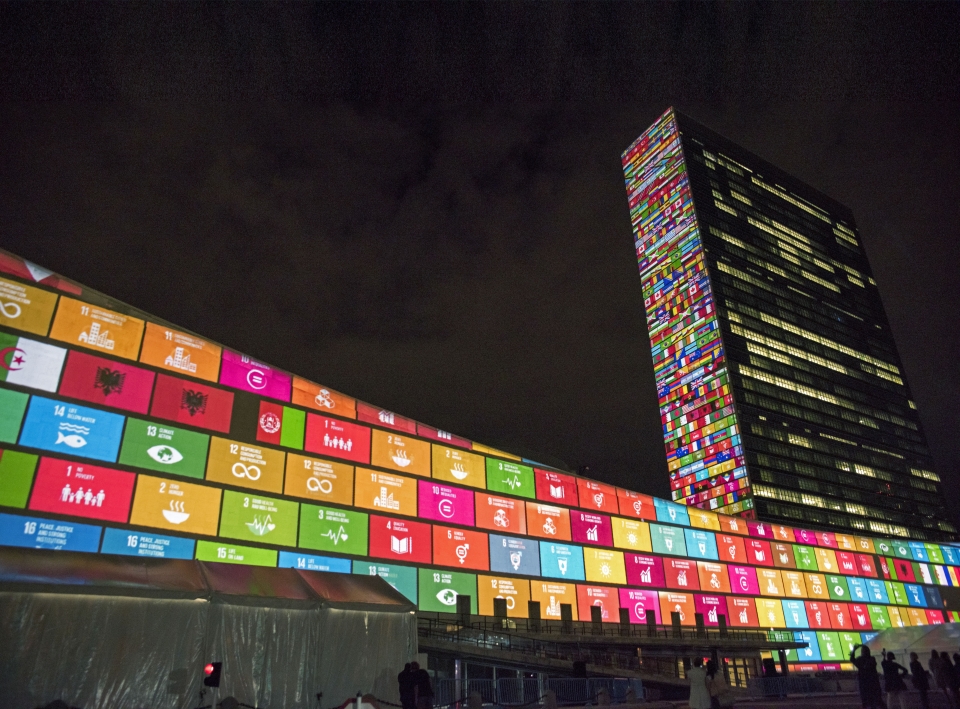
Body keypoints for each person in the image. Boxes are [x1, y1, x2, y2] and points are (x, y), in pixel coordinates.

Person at [850, 644, 884, 709]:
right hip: (873, 681)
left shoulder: (860, 659)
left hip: (864, 682)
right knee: (874, 699)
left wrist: (854, 650)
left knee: (865, 699)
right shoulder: (872, 659)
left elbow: (852, 659)